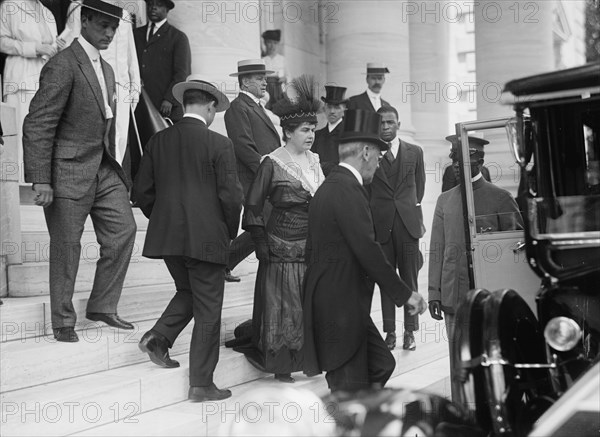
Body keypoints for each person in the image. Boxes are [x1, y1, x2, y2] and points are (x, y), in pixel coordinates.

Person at [22, 0, 137, 343]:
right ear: (83, 21)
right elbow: (38, 123)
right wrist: (41, 178)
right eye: (102, 25)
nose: (108, 33)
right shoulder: (62, 64)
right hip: (67, 170)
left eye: (114, 28)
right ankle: (62, 320)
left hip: (101, 167)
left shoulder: (108, 69)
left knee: (124, 230)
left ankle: (102, 304)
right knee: (67, 247)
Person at [133, 76, 243, 402]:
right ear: (209, 107)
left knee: (189, 291)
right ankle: (201, 383)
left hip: (168, 238)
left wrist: (166, 220)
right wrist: (227, 234)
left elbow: (142, 193)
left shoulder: (157, 141)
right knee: (209, 310)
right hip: (207, 239)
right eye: (214, 110)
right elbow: (231, 198)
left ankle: (159, 337)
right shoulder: (220, 144)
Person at [303, 109, 428, 393]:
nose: (379, 165)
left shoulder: (335, 186)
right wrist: (405, 293)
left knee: (382, 364)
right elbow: (367, 250)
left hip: (343, 305)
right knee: (348, 390)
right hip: (338, 309)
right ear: (367, 153)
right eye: (380, 158)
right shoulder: (346, 189)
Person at [231, 75, 324, 383]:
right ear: (288, 132)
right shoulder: (272, 163)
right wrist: (259, 241)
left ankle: (306, 358)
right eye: (305, 130)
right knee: (283, 307)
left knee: (305, 304)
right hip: (280, 246)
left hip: (310, 245)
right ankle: (281, 364)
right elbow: (254, 205)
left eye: (313, 130)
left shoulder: (315, 161)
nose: (311, 135)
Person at [428, 135, 523, 401]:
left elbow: (517, 249)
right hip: (453, 294)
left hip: (491, 295)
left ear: (480, 161)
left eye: (463, 158)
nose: (456, 164)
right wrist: (434, 292)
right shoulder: (444, 200)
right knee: (458, 360)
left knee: (494, 356)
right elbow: (437, 249)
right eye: (453, 159)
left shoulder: (501, 198)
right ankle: (462, 413)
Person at [369, 106, 425, 351]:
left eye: (390, 122)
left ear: (398, 124)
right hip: (381, 227)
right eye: (381, 123)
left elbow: (419, 187)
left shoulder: (415, 152)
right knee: (387, 280)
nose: (385, 127)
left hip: (408, 225)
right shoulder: (369, 153)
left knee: (410, 280)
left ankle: (410, 332)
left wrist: (406, 210)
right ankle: (390, 332)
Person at [224, 59, 282, 282]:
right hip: (253, 178)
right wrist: (267, 171)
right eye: (260, 78)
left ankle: (223, 263)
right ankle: (222, 262)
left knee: (262, 225)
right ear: (245, 82)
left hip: (264, 177)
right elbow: (243, 145)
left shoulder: (256, 106)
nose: (265, 82)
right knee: (262, 224)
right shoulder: (237, 107)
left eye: (264, 78)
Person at [63, 0, 140, 165]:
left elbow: (130, 50)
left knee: (120, 139)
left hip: (122, 86)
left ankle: (113, 184)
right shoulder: (80, 6)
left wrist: (135, 85)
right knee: (98, 139)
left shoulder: (123, 12)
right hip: (95, 82)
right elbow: (73, 43)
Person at [0, 0, 61, 183]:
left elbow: (53, 46)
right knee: (17, 134)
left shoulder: (48, 13)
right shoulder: (9, 6)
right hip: (20, 80)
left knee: (40, 136)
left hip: (44, 82)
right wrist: (34, 48)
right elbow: (2, 41)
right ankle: (15, 186)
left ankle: (37, 183)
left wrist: (56, 48)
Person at [133, 0, 190, 123]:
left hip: (166, 108)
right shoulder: (136, 34)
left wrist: (169, 99)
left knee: (166, 141)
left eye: (158, 5)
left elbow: (182, 73)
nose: (153, 8)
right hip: (139, 106)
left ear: (167, 9)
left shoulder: (178, 37)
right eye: (150, 4)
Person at [311, 85, 347, 176]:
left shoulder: (348, 134)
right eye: (329, 107)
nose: (332, 111)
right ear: (324, 109)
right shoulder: (317, 135)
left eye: (337, 107)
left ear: (344, 110)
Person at [261, 29, 286, 110]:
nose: (272, 46)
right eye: (269, 42)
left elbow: (289, 77)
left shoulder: (283, 59)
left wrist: (285, 78)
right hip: (266, 89)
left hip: (279, 90)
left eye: (275, 43)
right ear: (265, 43)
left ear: (278, 44)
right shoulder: (262, 59)